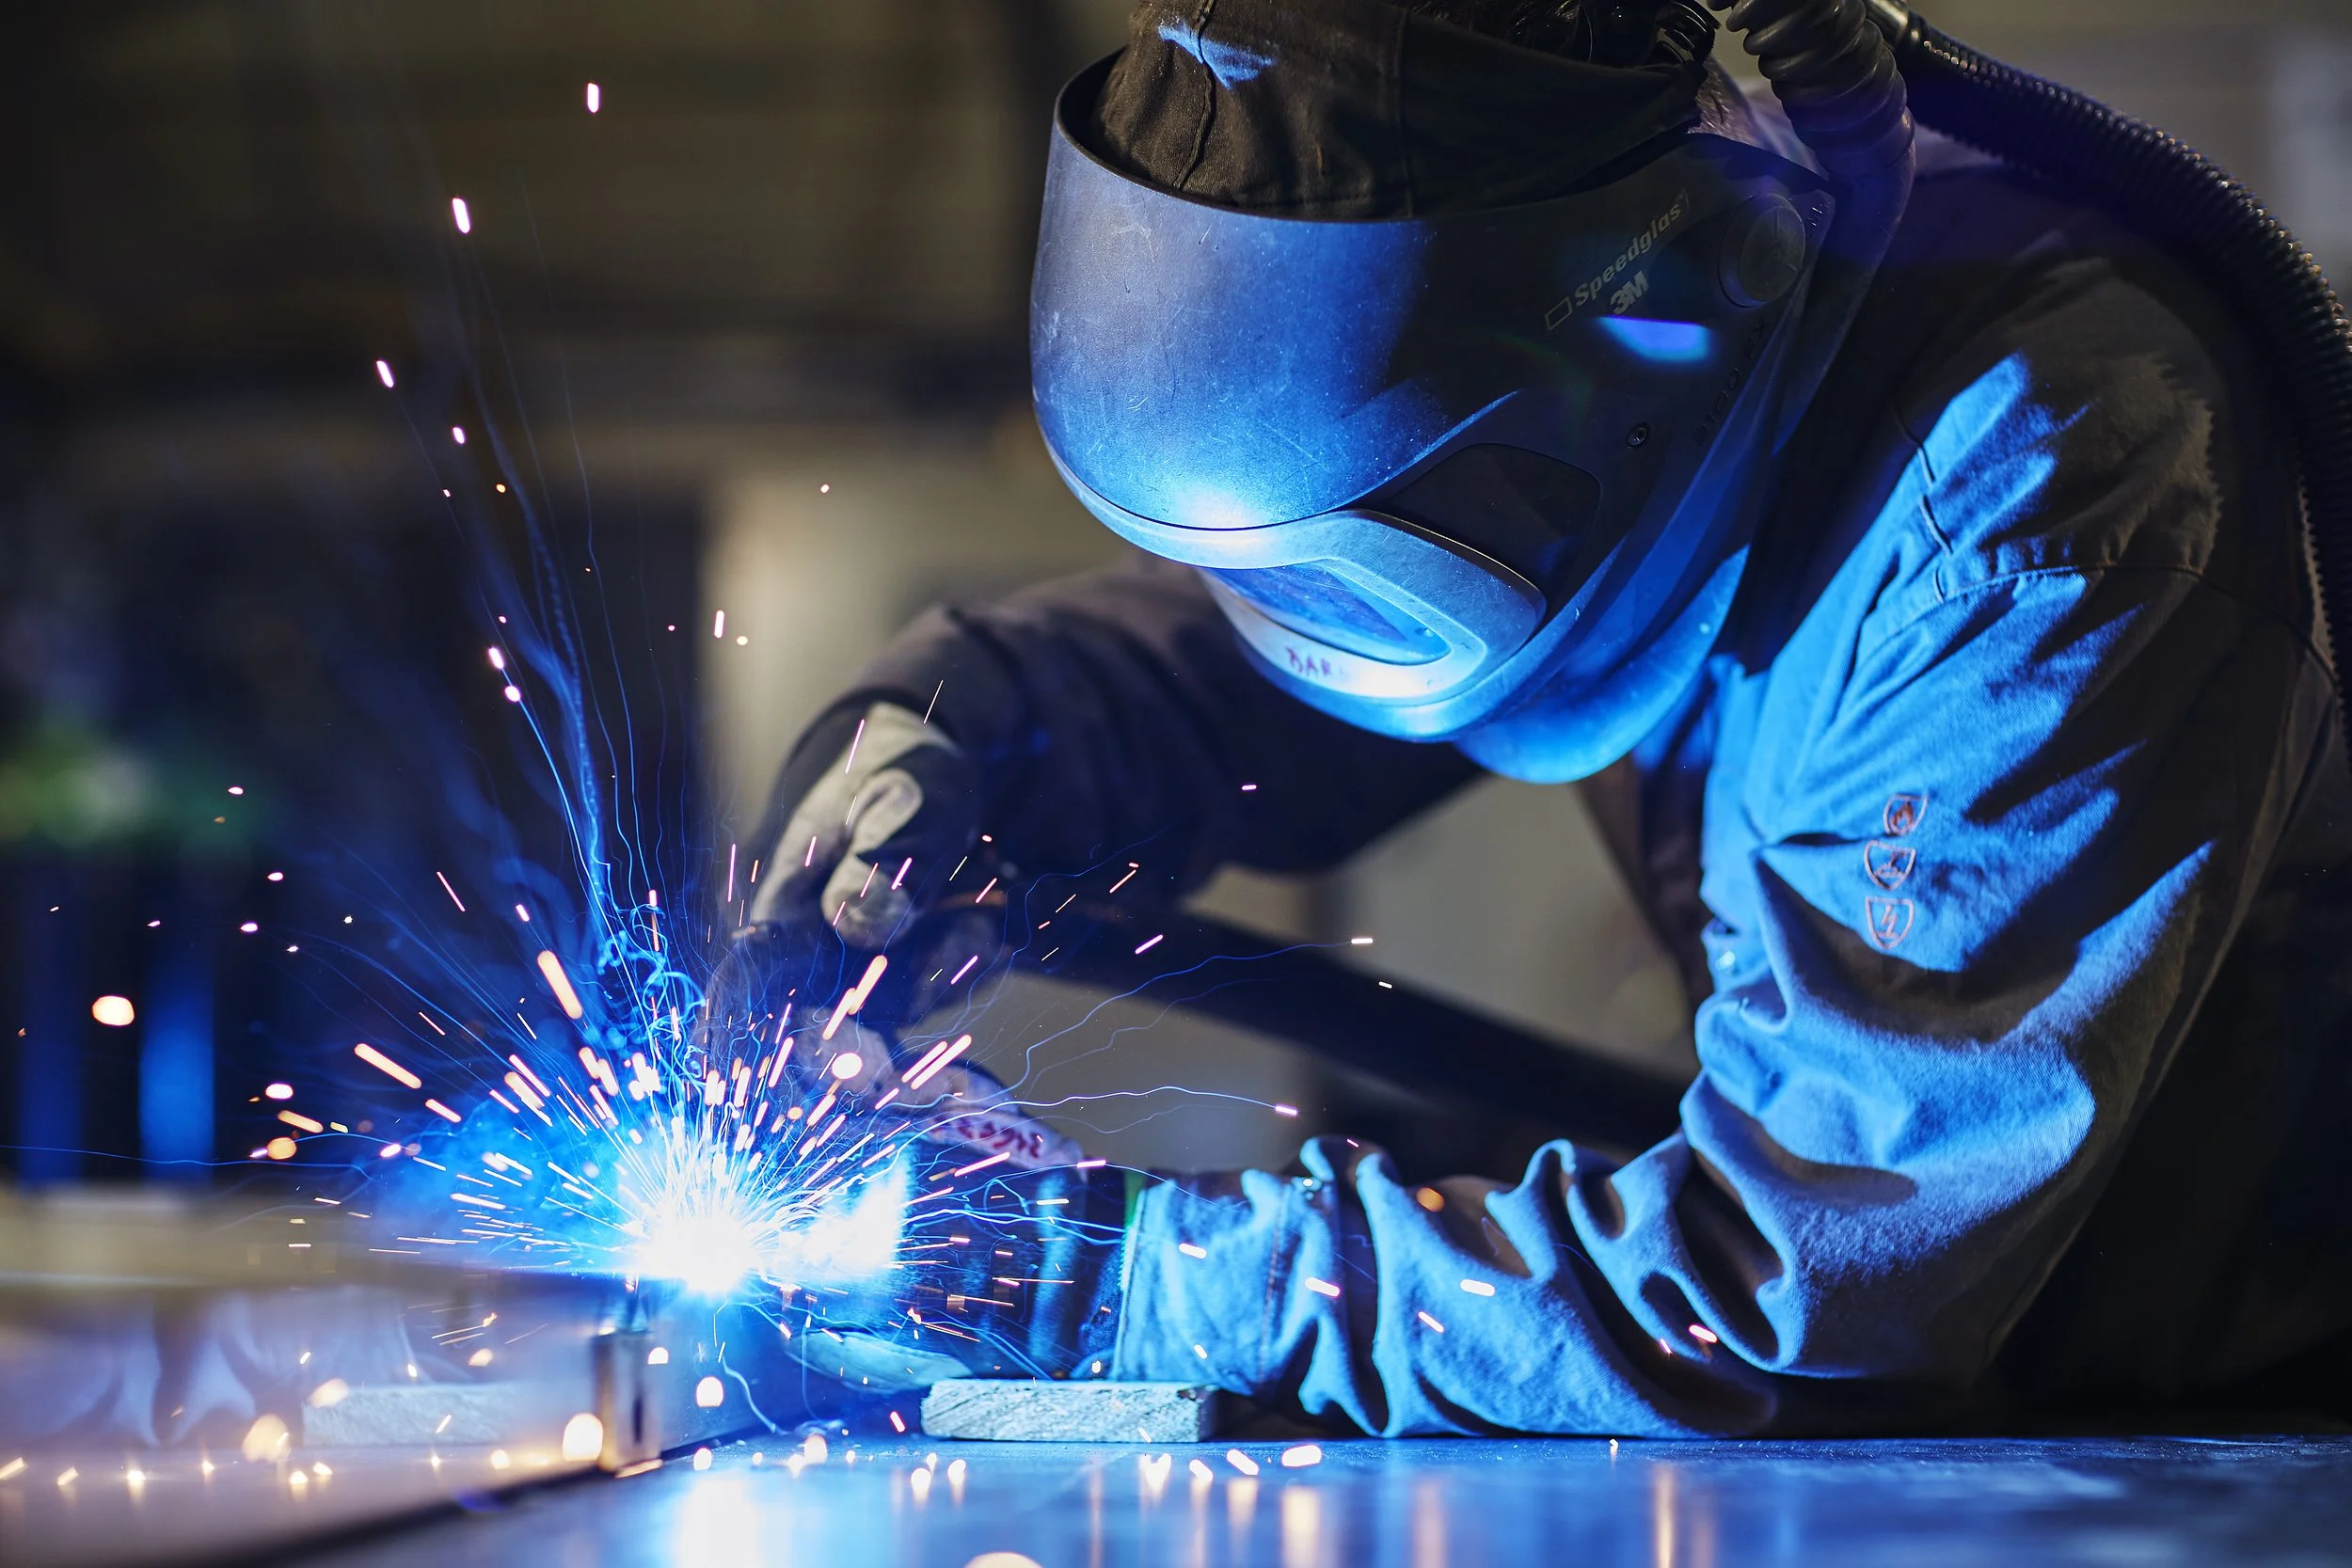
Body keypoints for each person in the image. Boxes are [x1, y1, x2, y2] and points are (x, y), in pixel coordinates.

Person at [731, 0, 2352, 1433]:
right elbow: (1271, 653)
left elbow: (1793, 1288)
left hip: (2223, 1443)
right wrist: (959, 740)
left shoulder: (2034, 511)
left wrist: (1108, 1274)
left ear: (1657, 315)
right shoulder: (1574, 411)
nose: (1294, 612)